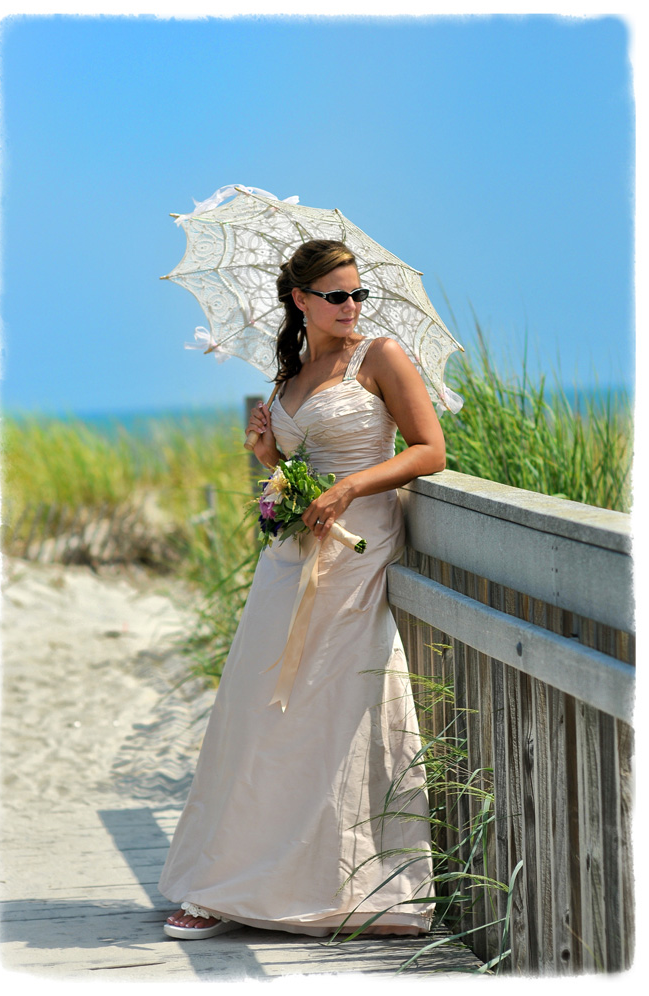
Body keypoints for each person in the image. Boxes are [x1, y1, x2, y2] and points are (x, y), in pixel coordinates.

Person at [159, 239, 446, 939]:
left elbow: (429, 450)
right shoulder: (289, 370)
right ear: (300, 300)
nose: (350, 308)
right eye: (335, 296)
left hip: (357, 546)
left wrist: (350, 483)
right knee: (259, 705)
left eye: (357, 295)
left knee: (328, 700)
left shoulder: (379, 356)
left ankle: (346, 886)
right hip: (292, 552)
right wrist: (269, 457)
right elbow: (289, 476)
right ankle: (230, 880)